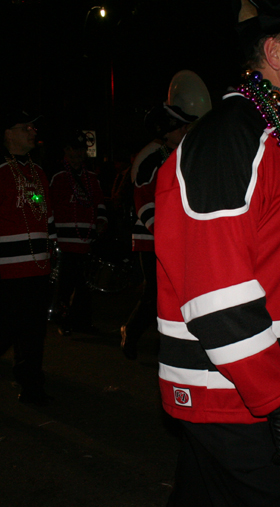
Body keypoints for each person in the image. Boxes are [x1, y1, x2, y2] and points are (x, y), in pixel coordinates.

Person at [152, 1, 280, 507]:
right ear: (275, 52)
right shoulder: (231, 136)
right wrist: (278, 401)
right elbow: (216, 293)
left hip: (245, 389)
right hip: (236, 394)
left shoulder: (275, 135)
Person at [0, 108, 56, 406]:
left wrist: (52, 253)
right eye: (25, 128)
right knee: (8, 328)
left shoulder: (38, 171)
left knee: (34, 331)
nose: (32, 132)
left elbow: (47, 217)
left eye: (33, 128)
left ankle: (31, 385)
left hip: (38, 267)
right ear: (7, 133)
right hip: (6, 270)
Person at [121, 103, 197, 360]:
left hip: (175, 238)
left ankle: (167, 341)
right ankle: (130, 333)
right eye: (182, 126)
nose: (187, 130)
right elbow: (142, 199)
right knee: (154, 293)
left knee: (174, 293)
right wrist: (162, 232)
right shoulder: (152, 159)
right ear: (166, 130)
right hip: (151, 239)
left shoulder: (180, 154)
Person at [48, 130, 106, 335]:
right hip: (65, 243)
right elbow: (48, 207)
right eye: (74, 150)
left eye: (81, 150)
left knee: (84, 286)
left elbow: (100, 204)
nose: (78, 154)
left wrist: (101, 221)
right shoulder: (57, 177)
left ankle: (82, 322)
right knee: (65, 285)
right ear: (66, 151)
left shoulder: (92, 178)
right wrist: (51, 237)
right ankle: (64, 321)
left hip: (86, 241)